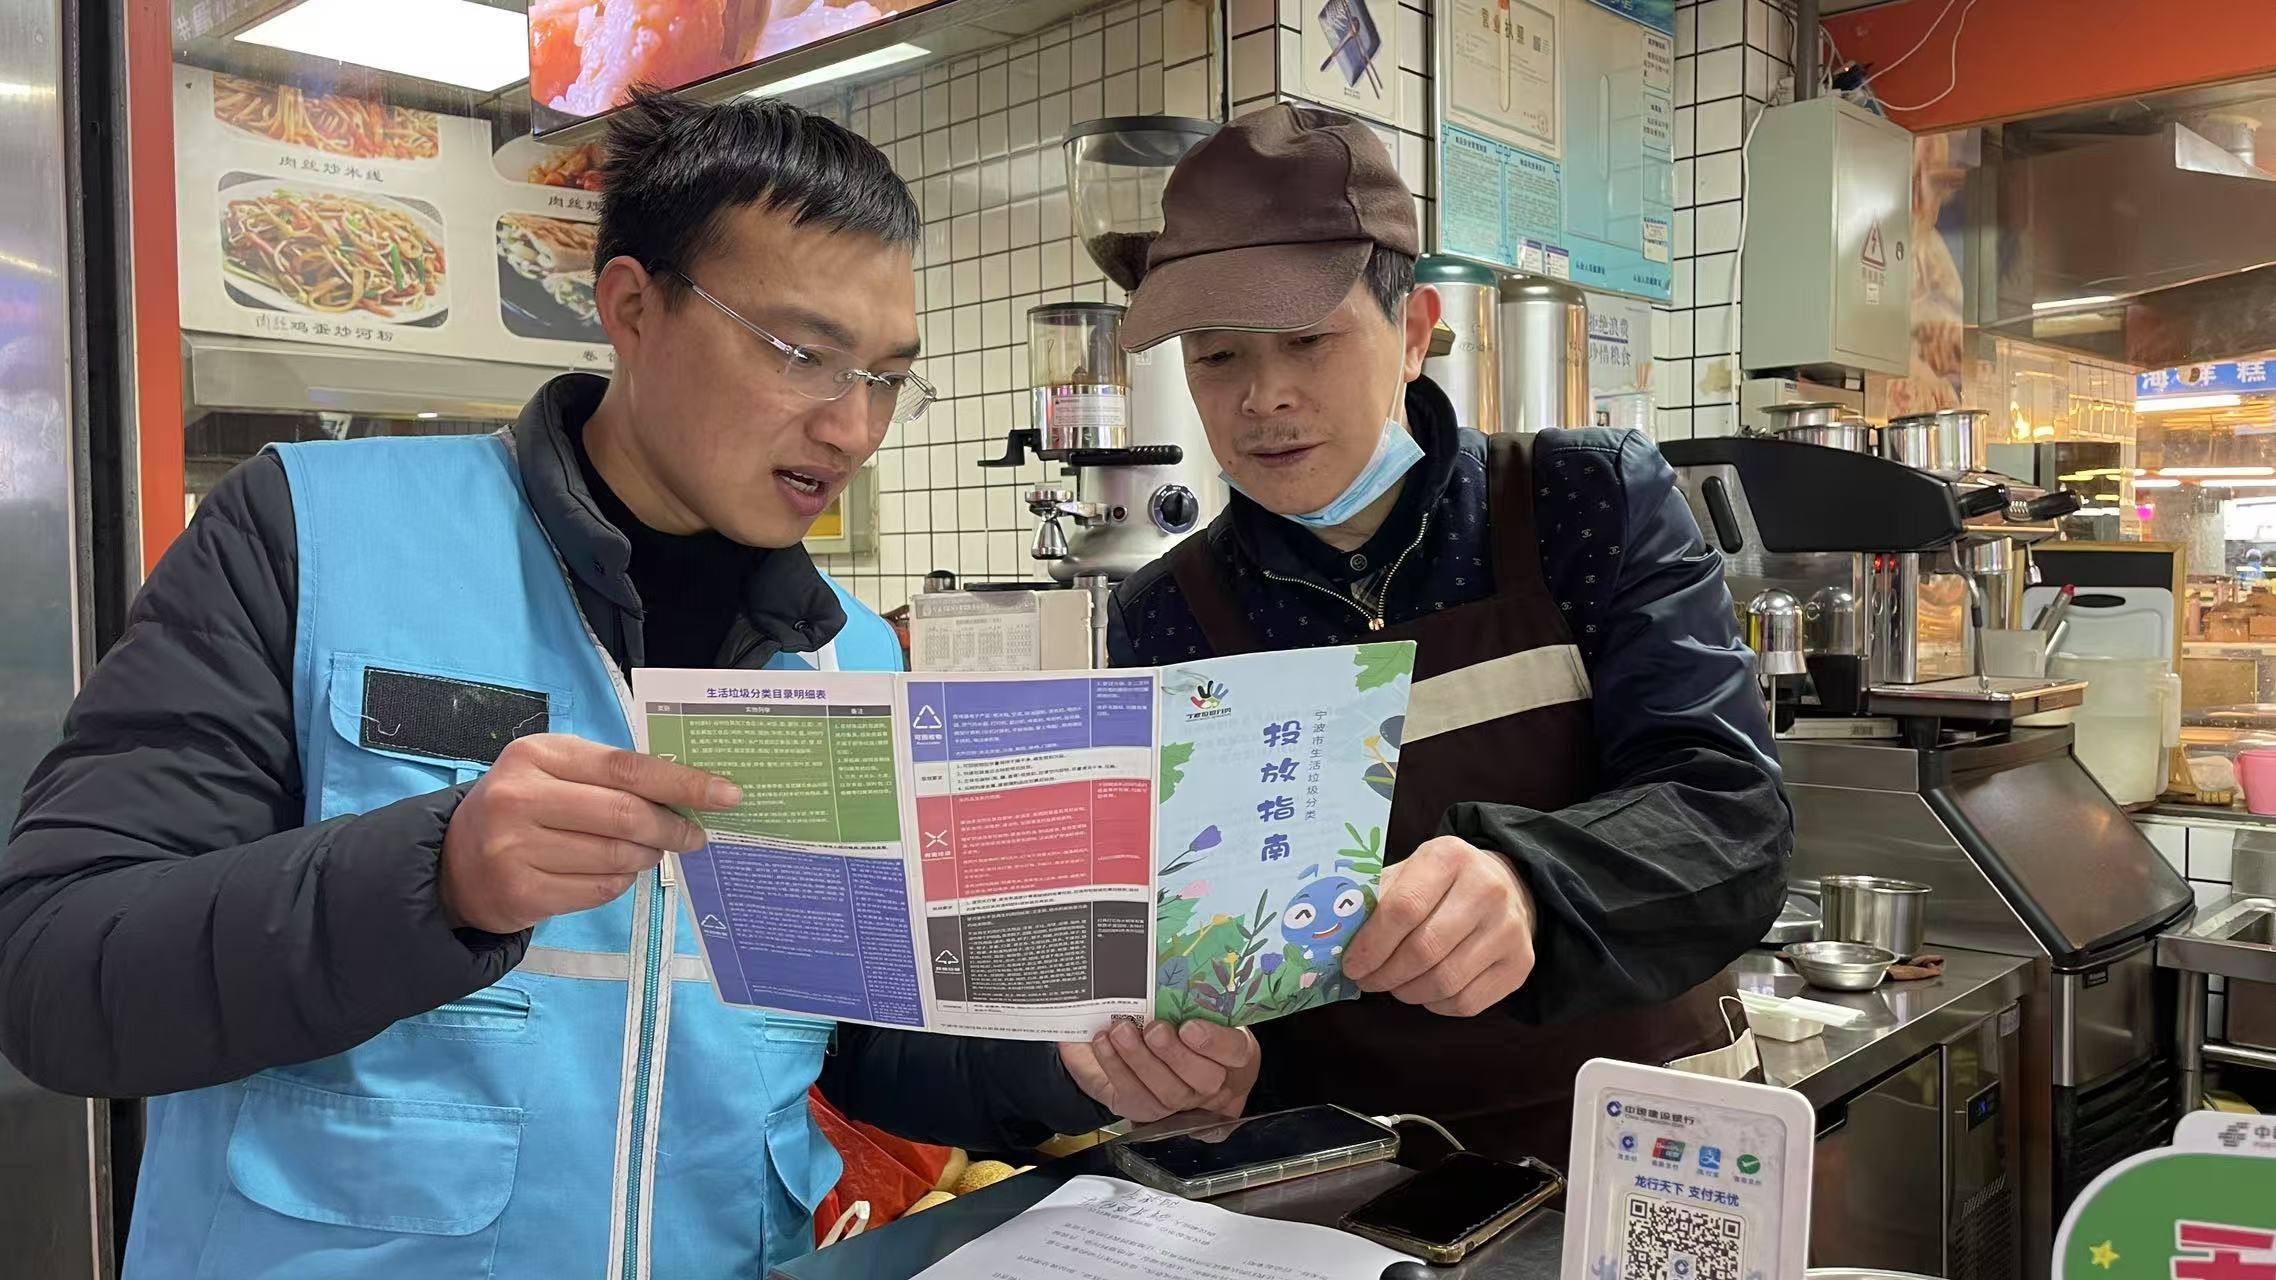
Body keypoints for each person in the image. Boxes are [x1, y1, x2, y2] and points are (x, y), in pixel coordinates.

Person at [0, 92, 1256, 1278]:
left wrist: (1067, 1064)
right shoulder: (310, 534)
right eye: (803, 355)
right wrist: (435, 877)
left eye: (884, 376)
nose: (852, 428)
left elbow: (856, 1046)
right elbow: (53, 971)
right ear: (631, 307)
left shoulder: (851, 659)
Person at [1107, 104, 1793, 1164]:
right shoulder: (1168, 615)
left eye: (1307, 339)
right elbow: (1198, 932)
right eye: (1217, 356)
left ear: (1414, 330)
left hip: (1651, 1147)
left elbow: (1730, 816)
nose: (1263, 396)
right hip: (1358, 1179)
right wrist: (1197, 1055)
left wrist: (1529, 882)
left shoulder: (1584, 504)